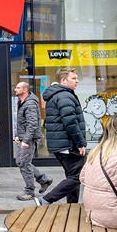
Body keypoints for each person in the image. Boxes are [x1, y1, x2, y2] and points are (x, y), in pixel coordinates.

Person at [36, 67, 87, 206]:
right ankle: (46, 199)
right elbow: (70, 121)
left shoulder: (59, 94)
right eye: (74, 78)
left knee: (73, 176)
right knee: (79, 176)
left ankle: (72, 205)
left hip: (62, 143)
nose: (77, 81)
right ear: (63, 80)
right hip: (68, 144)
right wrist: (80, 143)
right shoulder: (64, 95)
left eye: (77, 78)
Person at [13, 82, 52, 200]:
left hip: (28, 138)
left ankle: (29, 192)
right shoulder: (22, 102)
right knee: (21, 161)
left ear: (25, 90)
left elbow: (32, 124)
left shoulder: (30, 104)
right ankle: (43, 180)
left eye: (18, 88)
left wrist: (25, 140)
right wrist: (17, 135)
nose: (15, 89)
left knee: (24, 163)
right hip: (24, 136)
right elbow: (22, 122)